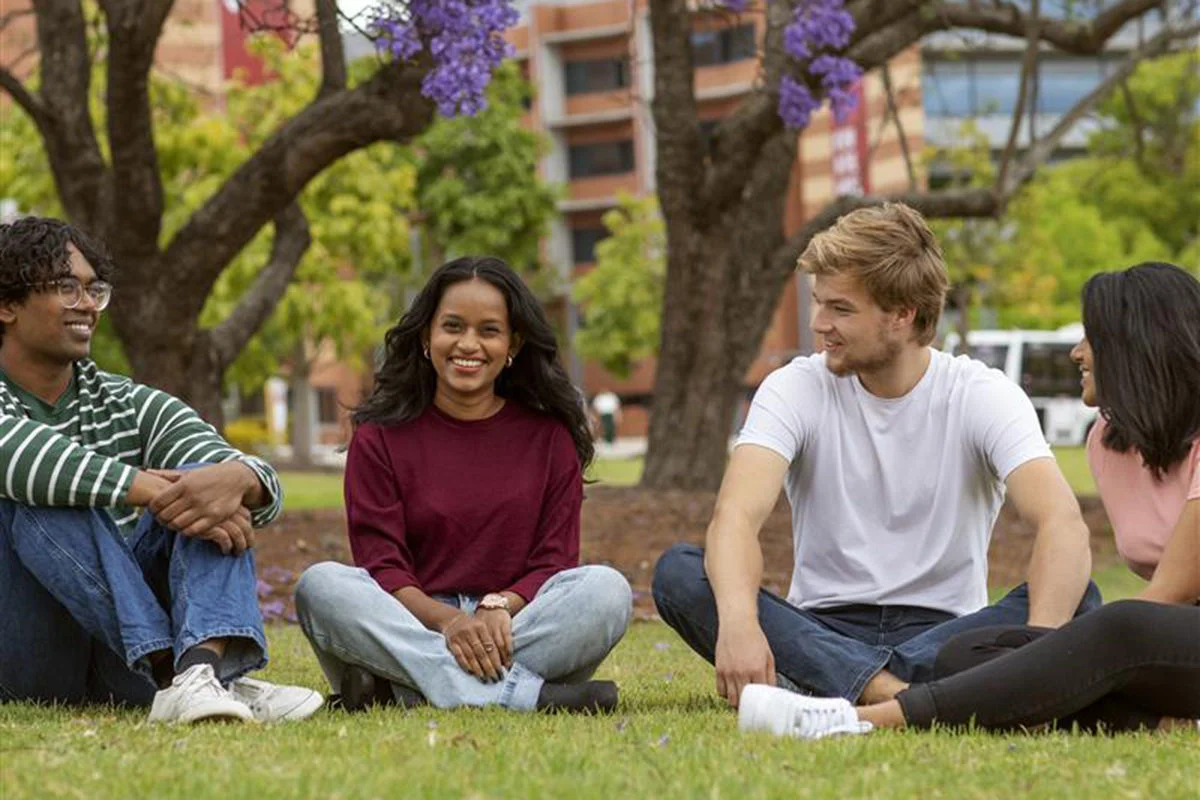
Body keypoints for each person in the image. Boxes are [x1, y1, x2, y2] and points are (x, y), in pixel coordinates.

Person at [652, 203, 1100, 709]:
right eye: (819, 304)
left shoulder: (980, 393)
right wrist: (737, 623)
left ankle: (835, 684)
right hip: (822, 624)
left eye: (841, 309)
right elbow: (735, 516)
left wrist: (1033, 656)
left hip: (943, 634)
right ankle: (904, 696)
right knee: (680, 573)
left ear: (902, 315)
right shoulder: (795, 387)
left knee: (1079, 596)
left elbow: (1062, 522)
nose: (820, 324)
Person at [737, 261, 1200, 738]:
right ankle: (1166, 722)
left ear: (1137, 345)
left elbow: (1172, 591)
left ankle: (862, 719)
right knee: (965, 656)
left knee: (1118, 626)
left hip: (1167, 630)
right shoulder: (1109, 443)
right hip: (1173, 649)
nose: (1077, 353)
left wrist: (1058, 658)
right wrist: (1050, 661)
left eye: (1092, 338)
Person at [0, 216, 322, 724]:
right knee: (45, 495)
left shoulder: (123, 400)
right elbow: (21, 457)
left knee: (209, 482)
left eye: (93, 289)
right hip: (23, 654)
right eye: (66, 288)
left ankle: (196, 675)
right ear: (8, 304)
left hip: (124, 662)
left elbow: (244, 477)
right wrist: (154, 490)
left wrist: (239, 482)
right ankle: (203, 679)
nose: (87, 304)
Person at [294, 256, 632, 713]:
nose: (468, 344)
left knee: (606, 591)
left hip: (515, 624)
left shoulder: (549, 437)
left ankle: (401, 692)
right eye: (452, 326)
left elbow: (553, 560)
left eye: (488, 330)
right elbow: (384, 566)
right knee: (321, 586)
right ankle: (525, 697)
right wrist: (450, 622)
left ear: (513, 343)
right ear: (425, 336)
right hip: (413, 622)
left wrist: (497, 607)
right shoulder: (379, 437)